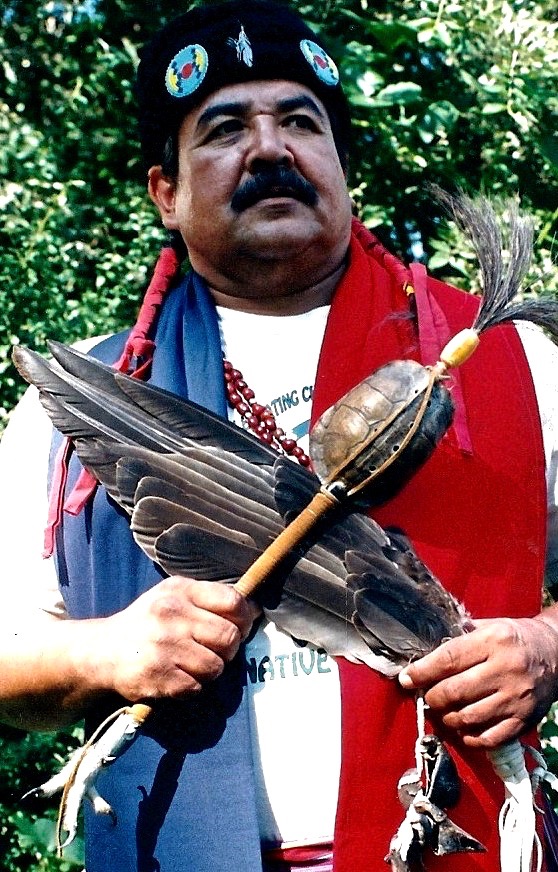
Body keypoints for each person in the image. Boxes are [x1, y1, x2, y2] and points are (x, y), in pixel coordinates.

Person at [0, 1, 557, 870]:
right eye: (224, 128)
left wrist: (549, 646)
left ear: (341, 169)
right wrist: (108, 650)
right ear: (166, 194)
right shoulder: (72, 413)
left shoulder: (510, 364)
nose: (269, 148)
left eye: (300, 121)